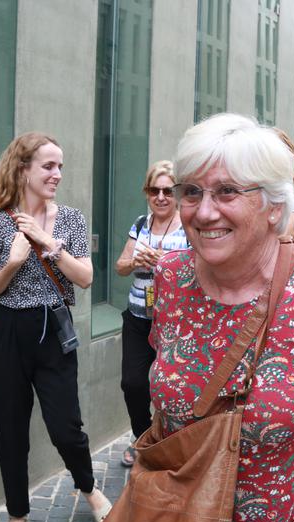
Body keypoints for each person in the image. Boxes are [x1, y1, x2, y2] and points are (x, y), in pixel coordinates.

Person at [150, 113, 294, 522]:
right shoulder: (171, 278)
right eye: (191, 191)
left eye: (227, 192)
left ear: (274, 207)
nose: (203, 212)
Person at [0, 133, 111, 522]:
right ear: (23, 169)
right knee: (10, 428)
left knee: (66, 427)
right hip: (7, 333)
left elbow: (85, 278)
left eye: (60, 166)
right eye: (49, 166)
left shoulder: (70, 220)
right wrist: (12, 264)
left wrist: (49, 244)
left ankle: (90, 489)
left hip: (54, 330)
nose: (57, 174)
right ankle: (18, 514)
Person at [114, 160, 188, 467]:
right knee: (132, 383)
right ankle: (142, 436)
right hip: (137, 317)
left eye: (168, 191)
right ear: (147, 192)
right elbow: (120, 266)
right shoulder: (140, 224)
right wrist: (135, 262)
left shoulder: (188, 225)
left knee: (169, 386)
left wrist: (163, 260)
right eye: (154, 190)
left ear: (177, 195)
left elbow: (197, 271)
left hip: (175, 320)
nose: (161, 197)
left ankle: (167, 441)